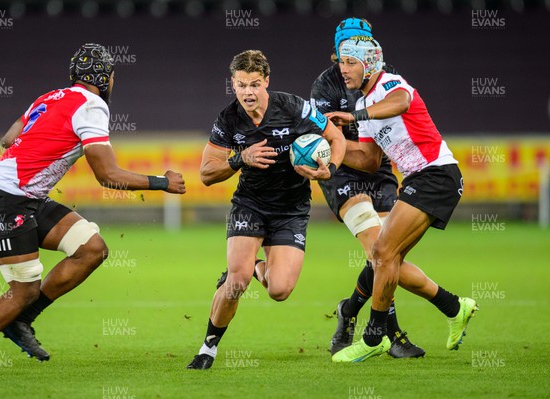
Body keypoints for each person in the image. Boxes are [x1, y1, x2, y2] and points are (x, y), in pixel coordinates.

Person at [0, 43, 186, 377]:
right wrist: (162, 183)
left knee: (91, 249)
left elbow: (8, 138)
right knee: (24, 292)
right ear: (104, 78)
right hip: (4, 200)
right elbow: (107, 176)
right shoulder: (92, 107)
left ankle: (21, 322)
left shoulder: (50, 97)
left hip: (22, 196)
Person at [187, 49, 345, 370]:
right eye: (241, 85)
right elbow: (206, 173)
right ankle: (208, 348)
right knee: (236, 282)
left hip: (291, 208)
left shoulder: (294, 107)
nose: (248, 92)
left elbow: (334, 136)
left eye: (255, 84)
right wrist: (239, 158)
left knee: (280, 290)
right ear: (233, 83)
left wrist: (331, 167)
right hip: (251, 205)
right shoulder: (228, 119)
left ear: (266, 82)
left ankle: (255, 266)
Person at [326, 33, 478, 363]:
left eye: (351, 62)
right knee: (386, 260)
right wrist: (330, 146)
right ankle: (455, 307)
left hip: (436, 175)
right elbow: (367, 158)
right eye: (342, 62)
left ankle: (373, 338)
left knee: (381, 251)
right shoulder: (363, 103)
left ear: (369, 66)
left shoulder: (389, 83)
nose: (344, 69)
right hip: (421, 179)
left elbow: (402, 103)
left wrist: (355, 118)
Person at [312, 17, 425, 358]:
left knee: (389, 255)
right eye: (349, 46)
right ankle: (391, 336)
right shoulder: (325, 86)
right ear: (337, 50)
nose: (355, 52)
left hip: (379, 171)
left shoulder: (384, 76)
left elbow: (398, 114)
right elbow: (323, 138)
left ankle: (349, 310)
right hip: (343, 173)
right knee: (377, 249)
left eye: (364, 41)